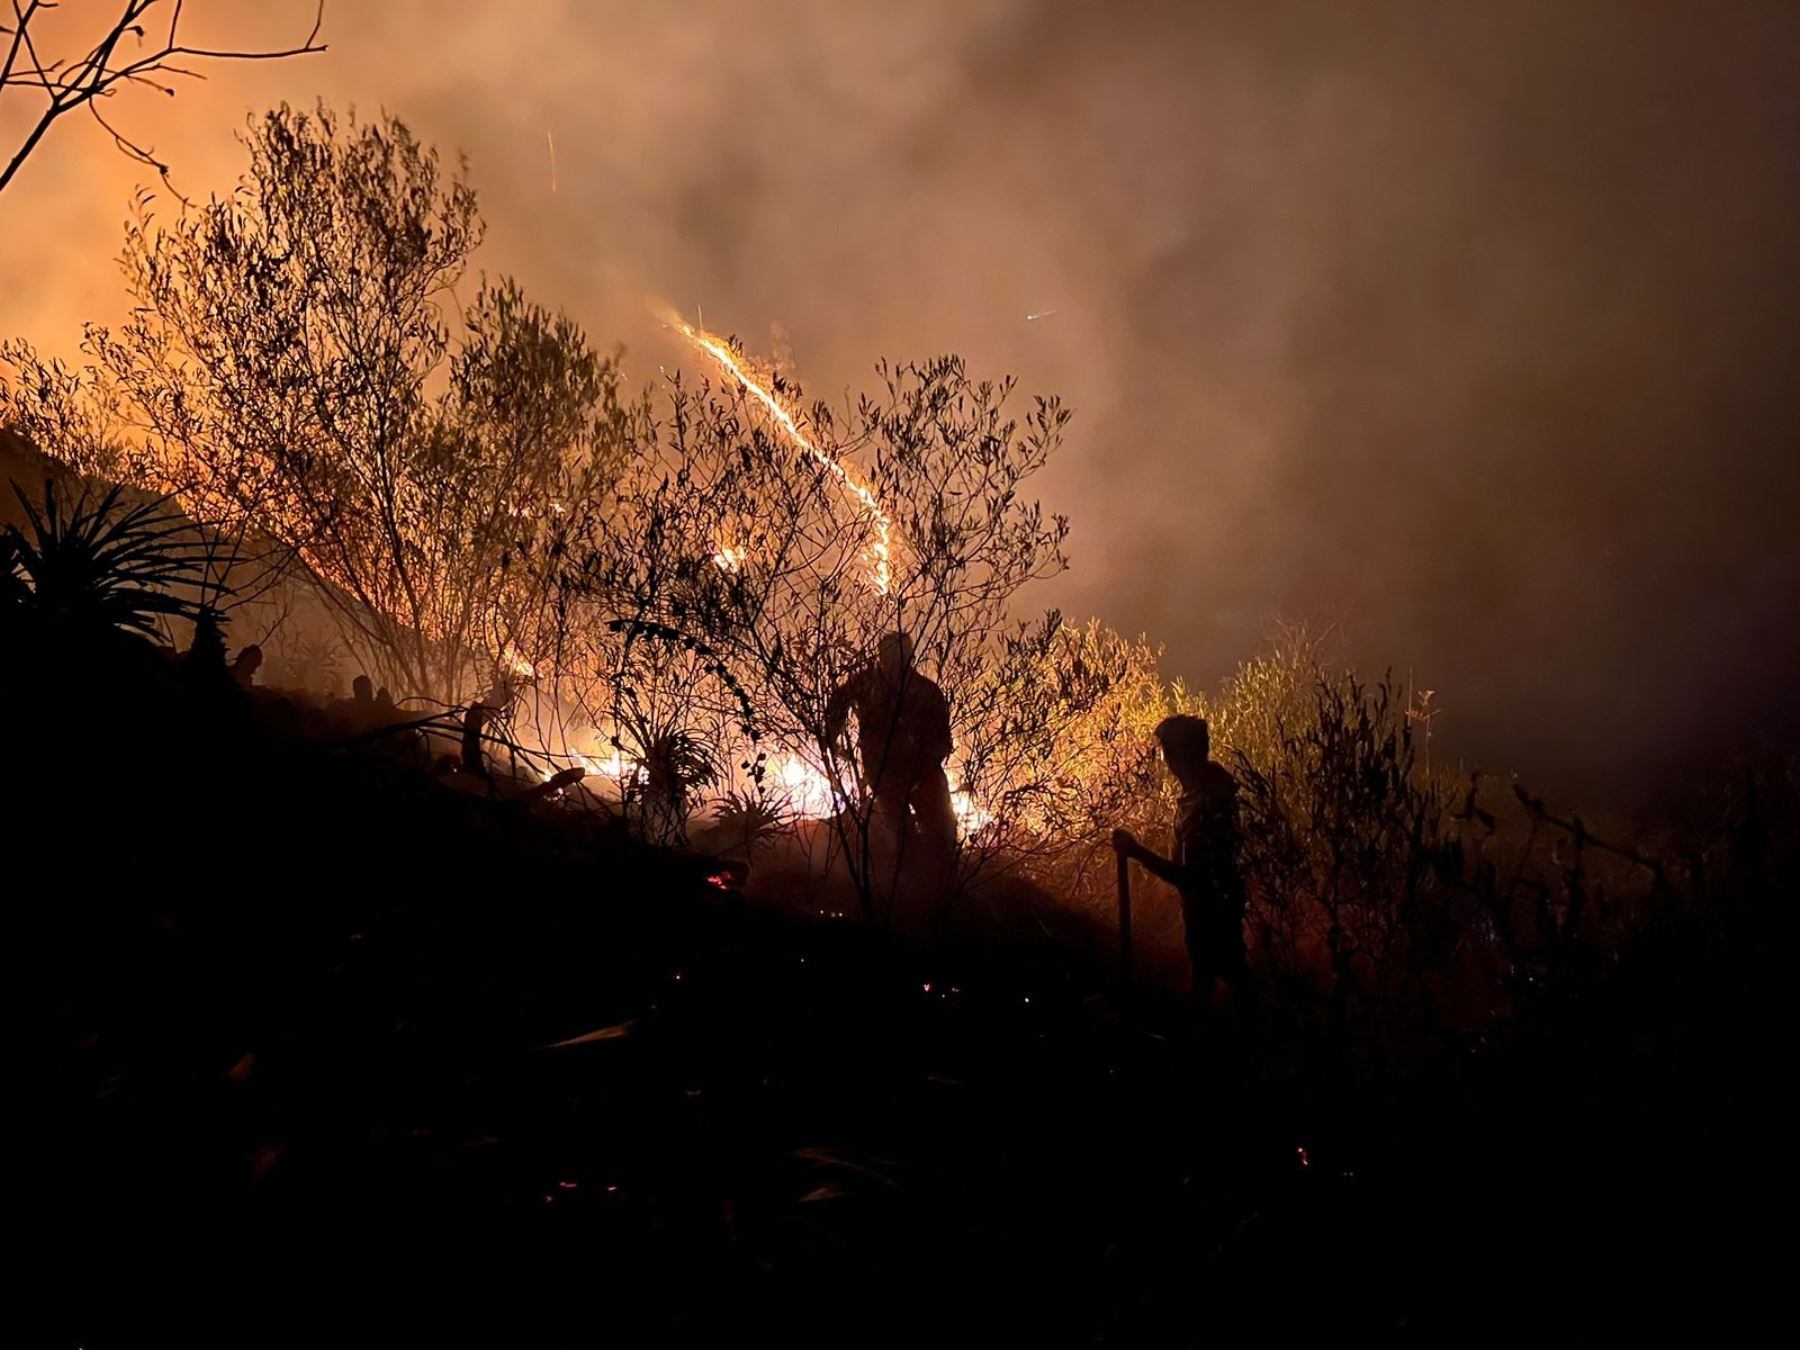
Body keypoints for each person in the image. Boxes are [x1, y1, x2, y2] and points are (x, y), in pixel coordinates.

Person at [1112, 714, 1253, 1011]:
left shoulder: (1208, 806)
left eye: (1165, 749)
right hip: (1209, 912)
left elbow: (1192, 877)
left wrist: (1136, 851)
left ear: (1179, 754)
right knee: (1221, 983)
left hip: (1213, 915)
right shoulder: (1203, 793)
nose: (1162, 757)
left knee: (1228, 985)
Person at [824, 632, 957, 855]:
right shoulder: (867, 684)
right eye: (890, 654)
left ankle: (939, 879)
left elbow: (942, 739)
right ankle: (912, 881)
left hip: (922, 774)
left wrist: (925, 767)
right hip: (885, 773)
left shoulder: (924, 690)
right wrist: (832, 742)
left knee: (942, 834)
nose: (895, 660)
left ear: (910, 656)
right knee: (903, 837)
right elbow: (836, 709)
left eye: (900, 654)